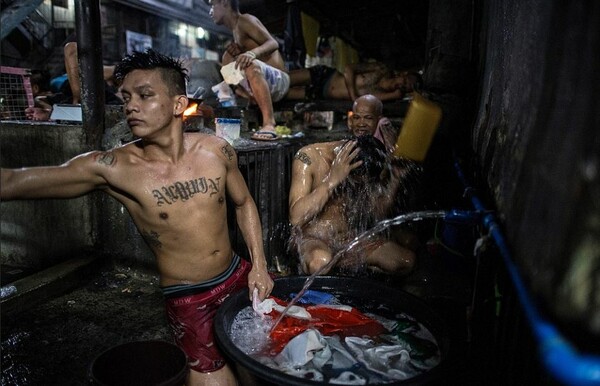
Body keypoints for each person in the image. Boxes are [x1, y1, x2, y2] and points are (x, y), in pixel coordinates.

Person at [1, 49, 274, 386]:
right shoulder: (112, 168)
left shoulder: (215, 149)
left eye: (145, 95)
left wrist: (258, 266)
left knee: (268, 369)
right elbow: (12, 181)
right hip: (190, 298)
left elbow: (244, 203)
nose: (131, 105)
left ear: (178, 104)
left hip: (237, 276)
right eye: (127, 97)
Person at [288, 94, 419, 275]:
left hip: (348, 241)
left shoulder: (370, 156)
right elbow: (296, 217)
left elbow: (375, 213)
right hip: (313, 240)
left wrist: (395, 178)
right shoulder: (309, 156)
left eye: (368, 118)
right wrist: (332, 181)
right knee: (320, 263)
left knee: (405, 261)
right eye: (357, 117)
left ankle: (344, 268)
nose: (362, 123)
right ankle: (333, 267)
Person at [208, 0, 290, 141]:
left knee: (250, 64)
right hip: (265, 84)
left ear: (225, 3)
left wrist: (252, 53)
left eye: (213, 5)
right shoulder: (235, 32)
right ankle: (244, 105)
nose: (210, 11)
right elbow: (230, 73)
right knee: (227, 60)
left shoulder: (245, 20)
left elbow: (273, 43)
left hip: (280, 81)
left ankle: (269, 123)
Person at [285, 62, 422, 102]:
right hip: (325, 75)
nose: (401, 85)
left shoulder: (386, 95)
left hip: (322, 93)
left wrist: (394, 95)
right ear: (403, 74)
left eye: (405, 88)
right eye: (404, 81)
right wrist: (353, 95)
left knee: (282, 93)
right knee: (282, 79)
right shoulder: (380, 69)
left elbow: (365, 101)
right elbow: (349, 69)